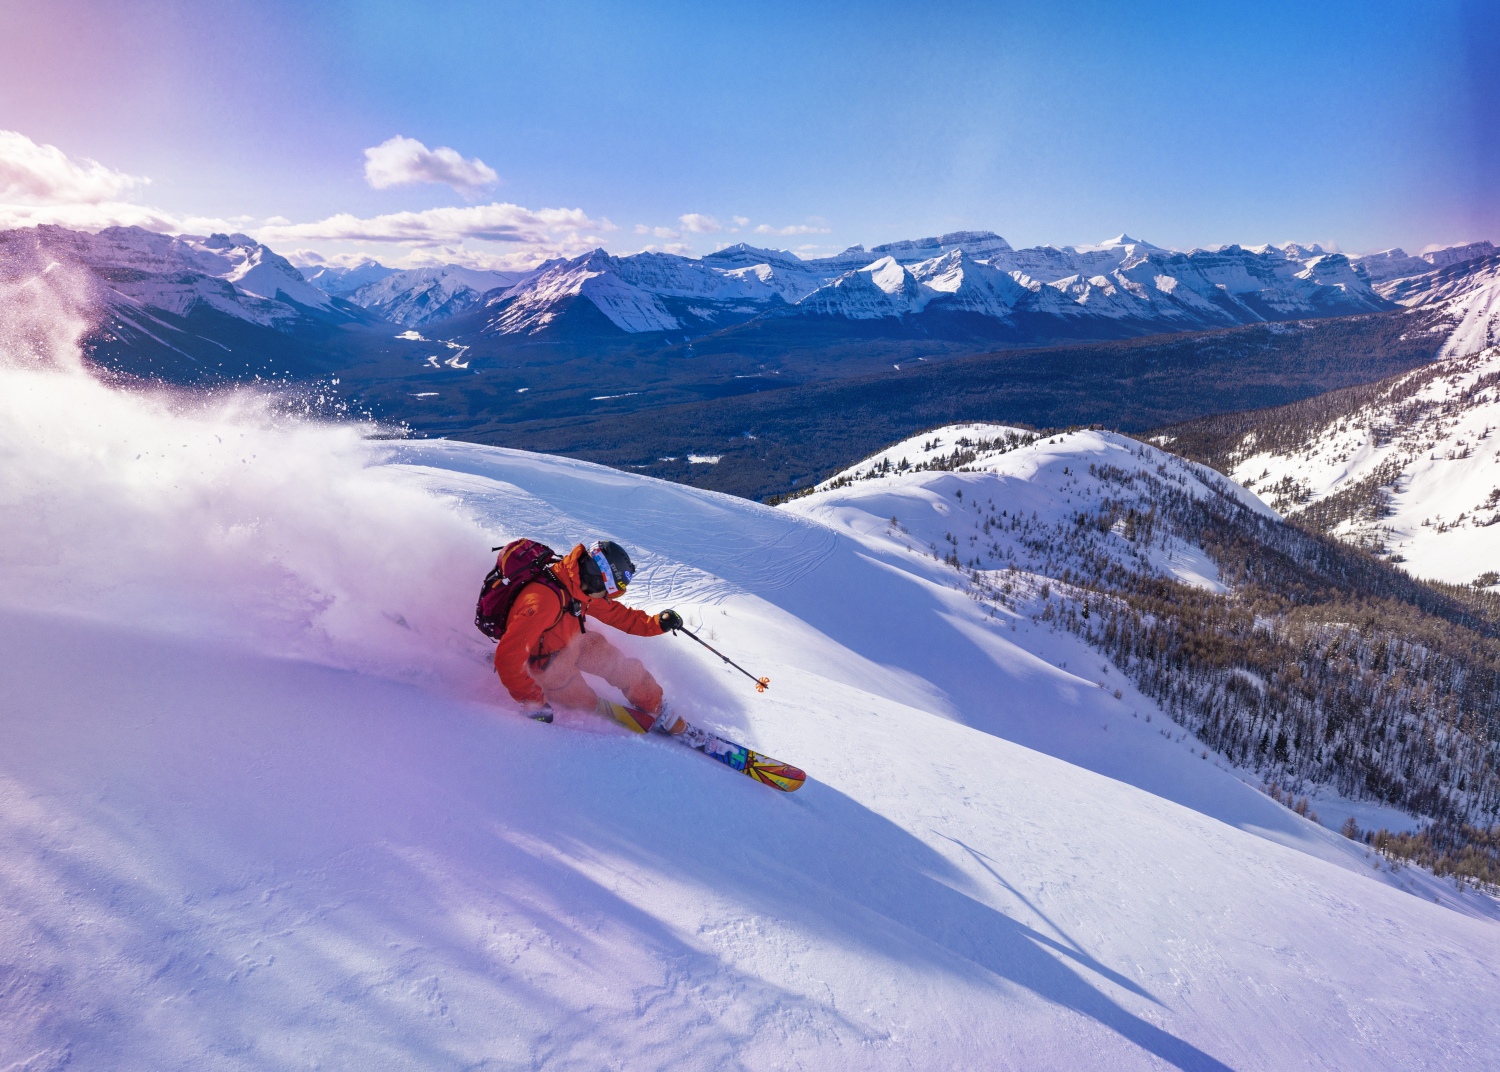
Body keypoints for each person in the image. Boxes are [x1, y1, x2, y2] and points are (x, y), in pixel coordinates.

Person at [493, 539, 686, 731]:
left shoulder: (579, 586)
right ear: (597, 577)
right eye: (611, 590)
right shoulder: (544, 602)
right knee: (583, 700)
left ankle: (654, 706)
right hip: (548, 666)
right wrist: (533, 700)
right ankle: (585, 701)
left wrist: (658, 624)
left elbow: (620, 616)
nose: (608, 597)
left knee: (622, 666)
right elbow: (508, 657)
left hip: (574, 642)